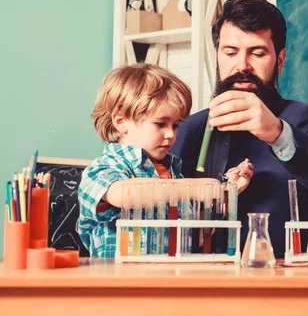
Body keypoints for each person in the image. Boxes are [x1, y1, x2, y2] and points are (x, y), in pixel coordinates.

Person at [171, 0, 308, 258]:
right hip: (196, 287)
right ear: (217, 57)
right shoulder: (188, 127)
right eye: (230, 52)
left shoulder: (302, 119)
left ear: (280, 60)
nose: (242, 65)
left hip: (276, 288)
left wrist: (278, 133)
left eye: (257, 53)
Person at [77, 63, 253, 257]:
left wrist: (224, 193)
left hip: (172, 279)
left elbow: (198, 238)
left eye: (176, 125)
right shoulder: (103, 168)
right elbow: (123, 194)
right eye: (160, 124)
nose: (170, 134)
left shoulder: (173, 172)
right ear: (121, 121)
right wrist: (194, 188)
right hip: (122, 283)